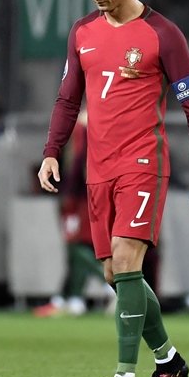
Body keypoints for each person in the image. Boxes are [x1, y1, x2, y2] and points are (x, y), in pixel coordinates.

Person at [37, 0, 189, 377]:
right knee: (115, 275)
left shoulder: (163, 34)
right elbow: (66, 99)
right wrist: (52, 151)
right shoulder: (81, 33)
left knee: (125, 262)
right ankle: (169, 360)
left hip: (143, 163)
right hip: (98, 167)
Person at [33, 110, 112, 317]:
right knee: (83, 245)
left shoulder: (84, 123)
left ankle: (112, 286)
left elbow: (79, 160)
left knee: (75, 244)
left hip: (83, 195)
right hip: (97, 191)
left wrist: (69, 192)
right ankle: (73, 298)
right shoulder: (101, 118)